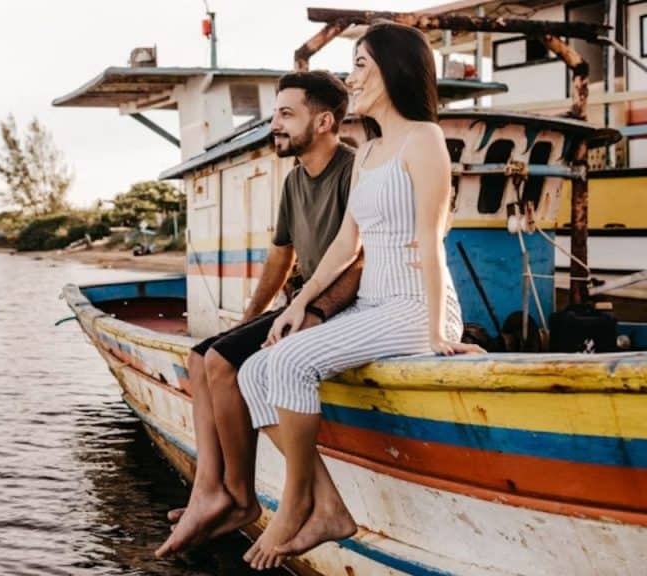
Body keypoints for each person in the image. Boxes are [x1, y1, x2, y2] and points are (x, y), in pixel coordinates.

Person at [236, 22, 486, 571]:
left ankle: (295, 502)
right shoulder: (368, 151)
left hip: (415, 305)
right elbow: (347, 243)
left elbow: (431, 240)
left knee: (294, 363)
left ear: (393, 70)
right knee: (256, 370)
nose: (354, 78)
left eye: (362, 66)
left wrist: (441, 334)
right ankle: (327, 505)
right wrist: (300, 304)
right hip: (373, 304)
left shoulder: (425, 141)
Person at [155, 70, 363, 558]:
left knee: (224, 364)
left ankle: (241, 497)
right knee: (200, 356)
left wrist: (309, 311)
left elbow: (360, 256)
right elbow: (280, 257)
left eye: (287, 115)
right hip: (299, 301)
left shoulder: (353, 171)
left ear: (325, 121)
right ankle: (210, 489)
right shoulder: (295, 180)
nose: (276, 125)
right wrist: (248, 318)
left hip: (336, 304)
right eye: (276, 115)